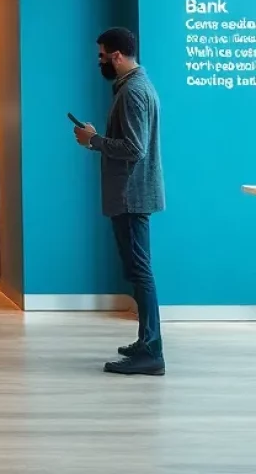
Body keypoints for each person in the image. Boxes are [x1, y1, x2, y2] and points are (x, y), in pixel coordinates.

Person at [74, 27, 165, 376]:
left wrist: (95, 140)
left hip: (131, 195)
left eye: (101, 57)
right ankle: (146, 342)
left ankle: (152, 351)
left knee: (141, 271)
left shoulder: (133, 92)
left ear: (116, 56)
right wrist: (98, 137)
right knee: (137, 269)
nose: (99, 63)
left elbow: (133, 149)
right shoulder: (137, 87)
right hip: (134, 192)